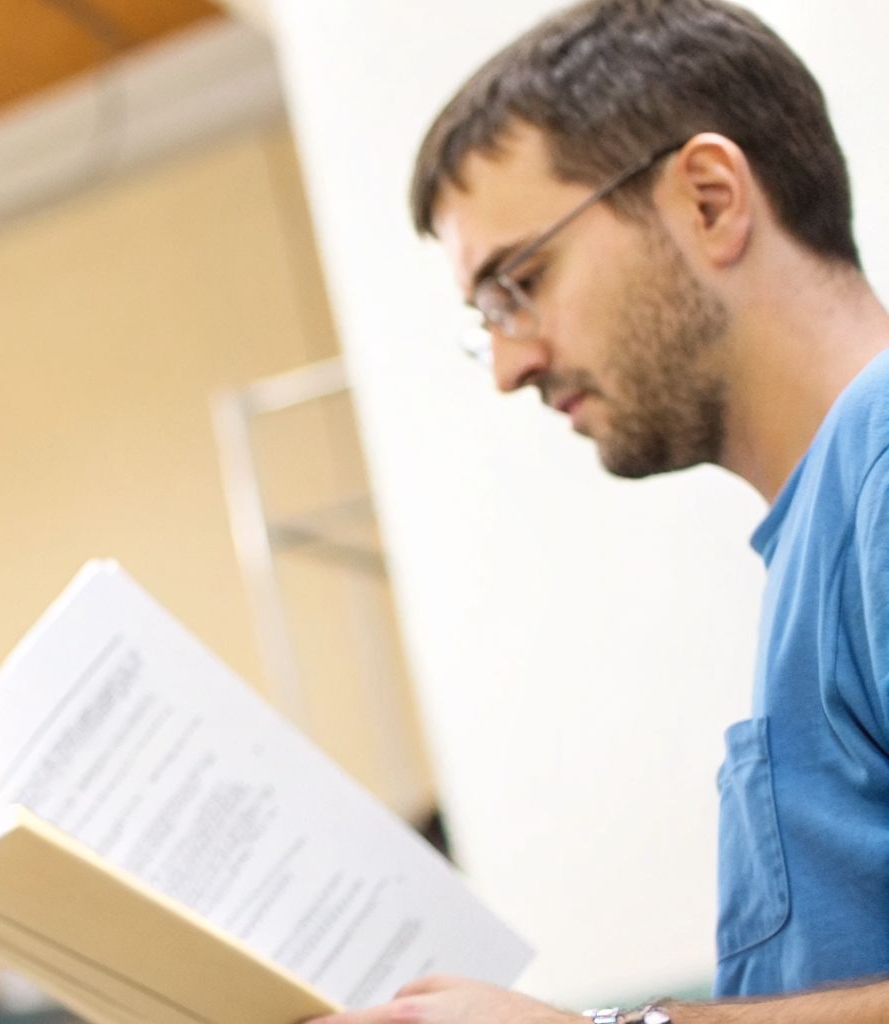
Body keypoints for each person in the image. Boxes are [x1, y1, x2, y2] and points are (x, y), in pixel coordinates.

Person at [315, 1, 889, 1021]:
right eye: (485, 317)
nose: (507, 363)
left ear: (708, 200)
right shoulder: (822, 536)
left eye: (519, 282)